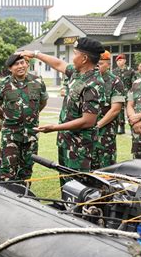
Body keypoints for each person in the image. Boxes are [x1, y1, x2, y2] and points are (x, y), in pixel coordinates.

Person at [19, 37, 105, 184]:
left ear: (84, 58)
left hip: (80, 147)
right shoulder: (77, 73)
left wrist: (54, 128)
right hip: (66, 141)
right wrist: (35, 54)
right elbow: (58, 63)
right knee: (65, 184)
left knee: (77, 186)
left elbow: (87, 120)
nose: (72, 57)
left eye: (75, 53)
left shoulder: (94, 83)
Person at [0, 54, 48, 182]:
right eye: (16, 64)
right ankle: (4, 198)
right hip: (11, 136)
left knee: (26, 171)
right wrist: (6, 118)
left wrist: (32, 115)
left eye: (22, 63)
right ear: (10, 68)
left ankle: (23, 198)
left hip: (31, 136)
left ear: (27, 64)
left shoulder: (38, 82)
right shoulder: (3, 85)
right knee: (6, 170)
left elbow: (43, 102)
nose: (20, 66)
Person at [93, 51, 126, 168]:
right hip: (86, 132)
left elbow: (115, 110)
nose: (97, 67)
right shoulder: (87, 80)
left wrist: (97, 126)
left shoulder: (115, 82)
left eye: (100, 64)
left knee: (106, 168)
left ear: (108, 64)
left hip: (105, 133)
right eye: (95, 64)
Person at [113, 53, 136, 134]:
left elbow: (134, 83)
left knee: (130, 110)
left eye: (121, 60)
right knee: (119, 111)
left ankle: (133, 127)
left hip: (128, 94)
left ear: (125, 60)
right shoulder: (114, 71)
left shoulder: (131, 71)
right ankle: (121, 127)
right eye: (118, 60)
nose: (119, 62)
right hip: (118, 94)